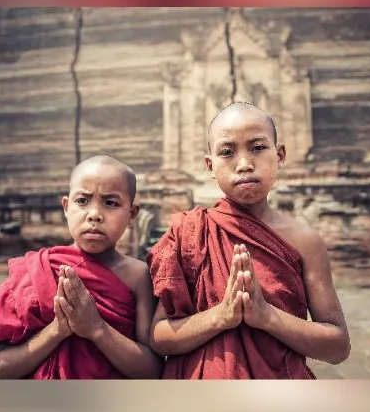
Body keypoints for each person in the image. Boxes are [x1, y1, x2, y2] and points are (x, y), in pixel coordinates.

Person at [147, 102, 351, 379]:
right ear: (210, 165)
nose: (244, 164)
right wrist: (221, 316)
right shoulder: (190, 233)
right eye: (227, 152)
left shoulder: (304, 241)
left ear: (279, 155)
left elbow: (338, 346)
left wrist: (267, 316)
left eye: (257, 148)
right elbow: (159, 337)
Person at [0, 154, 163, 379]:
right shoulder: (36, 270)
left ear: (132, 214)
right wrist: (56, 330)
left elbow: (152, 370)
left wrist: (97, 328)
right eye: (83, 201)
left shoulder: (139, 276)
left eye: (110, 203)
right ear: (66, 207)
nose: (94, 214)